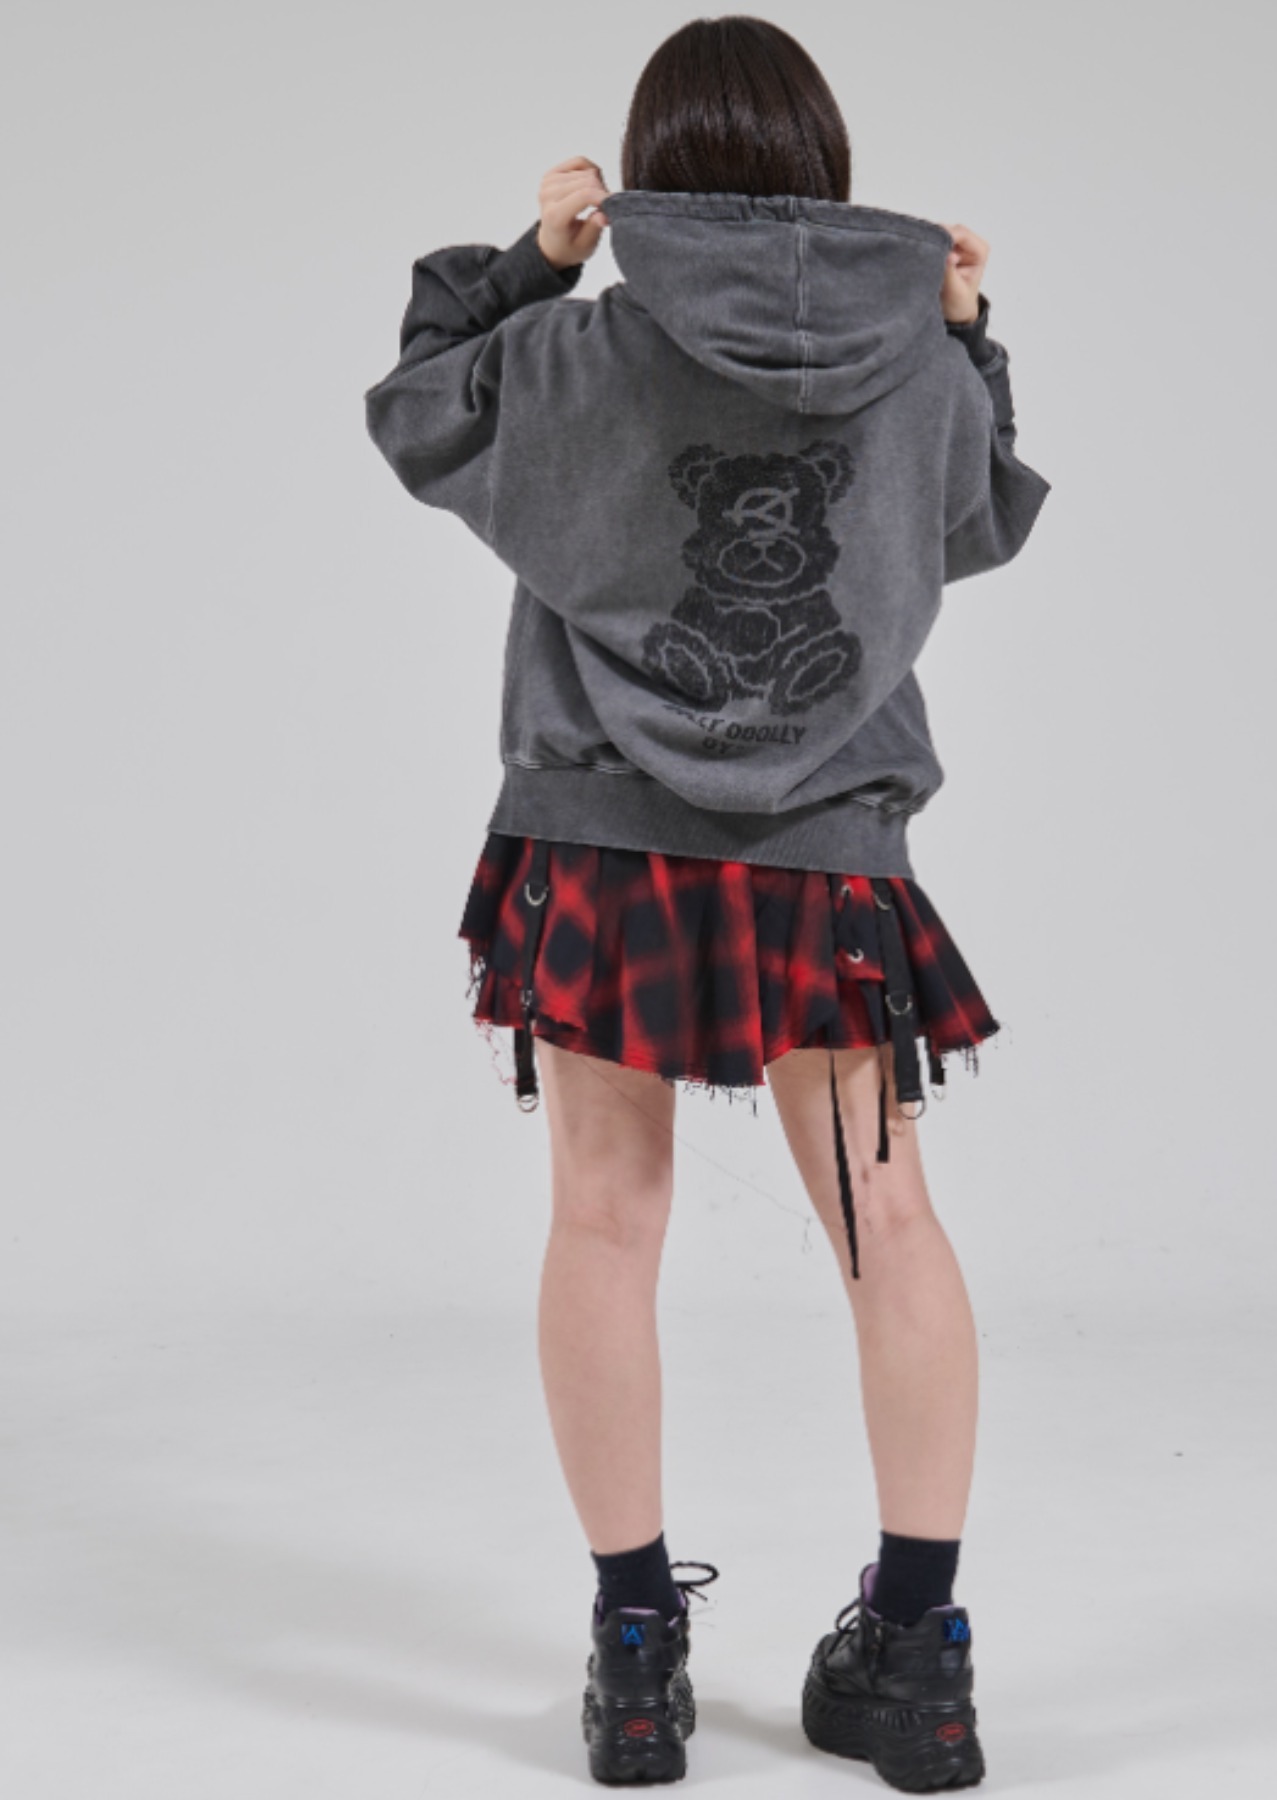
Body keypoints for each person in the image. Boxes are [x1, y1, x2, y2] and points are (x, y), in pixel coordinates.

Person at [364, 15, 1050, 1789]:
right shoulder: (917, 369)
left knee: (605, 1222)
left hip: (603, 842)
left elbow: (418, 415)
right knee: (889, 1222)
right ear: (825, 161)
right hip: (828, 858)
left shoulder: (574, 357)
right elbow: (977, 525)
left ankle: (635, 1655)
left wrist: (534, 262)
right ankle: (922, 1656)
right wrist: (968, 334)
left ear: (648, 170)